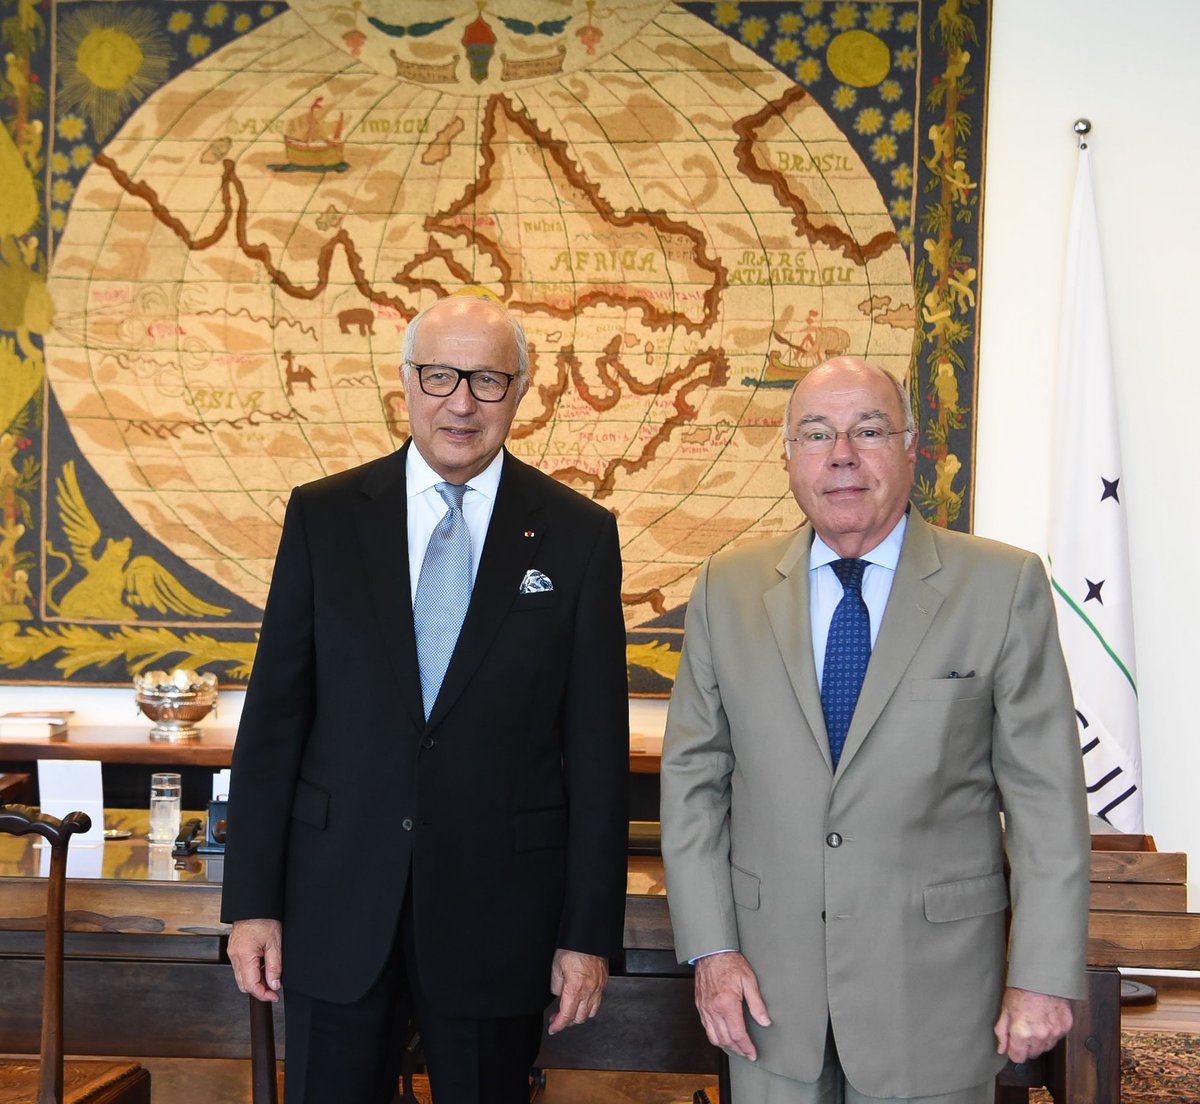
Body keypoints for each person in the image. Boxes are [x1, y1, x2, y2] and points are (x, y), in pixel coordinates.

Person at [221, 292, 630, 1104]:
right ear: (405, 383)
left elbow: (595, 751)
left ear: (521, 391)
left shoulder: (579, 534)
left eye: (487, 379)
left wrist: (587, 937)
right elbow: (273, 723)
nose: (461, 402)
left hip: (498, 920)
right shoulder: (324, 516)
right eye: (440, 375)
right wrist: (252, 905)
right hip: (334, 911)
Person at [659, 356, 1090, 1103]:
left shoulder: (1002, 586)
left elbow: (1046, 804)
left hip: (937, 999)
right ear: (789, 456)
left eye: (868, 430)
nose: (842, 456)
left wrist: (1044, 976)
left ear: (911, 447)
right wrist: (712, 951)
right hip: (765, 998)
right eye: (817, 434)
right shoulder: (725, 588)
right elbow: (693, 785)